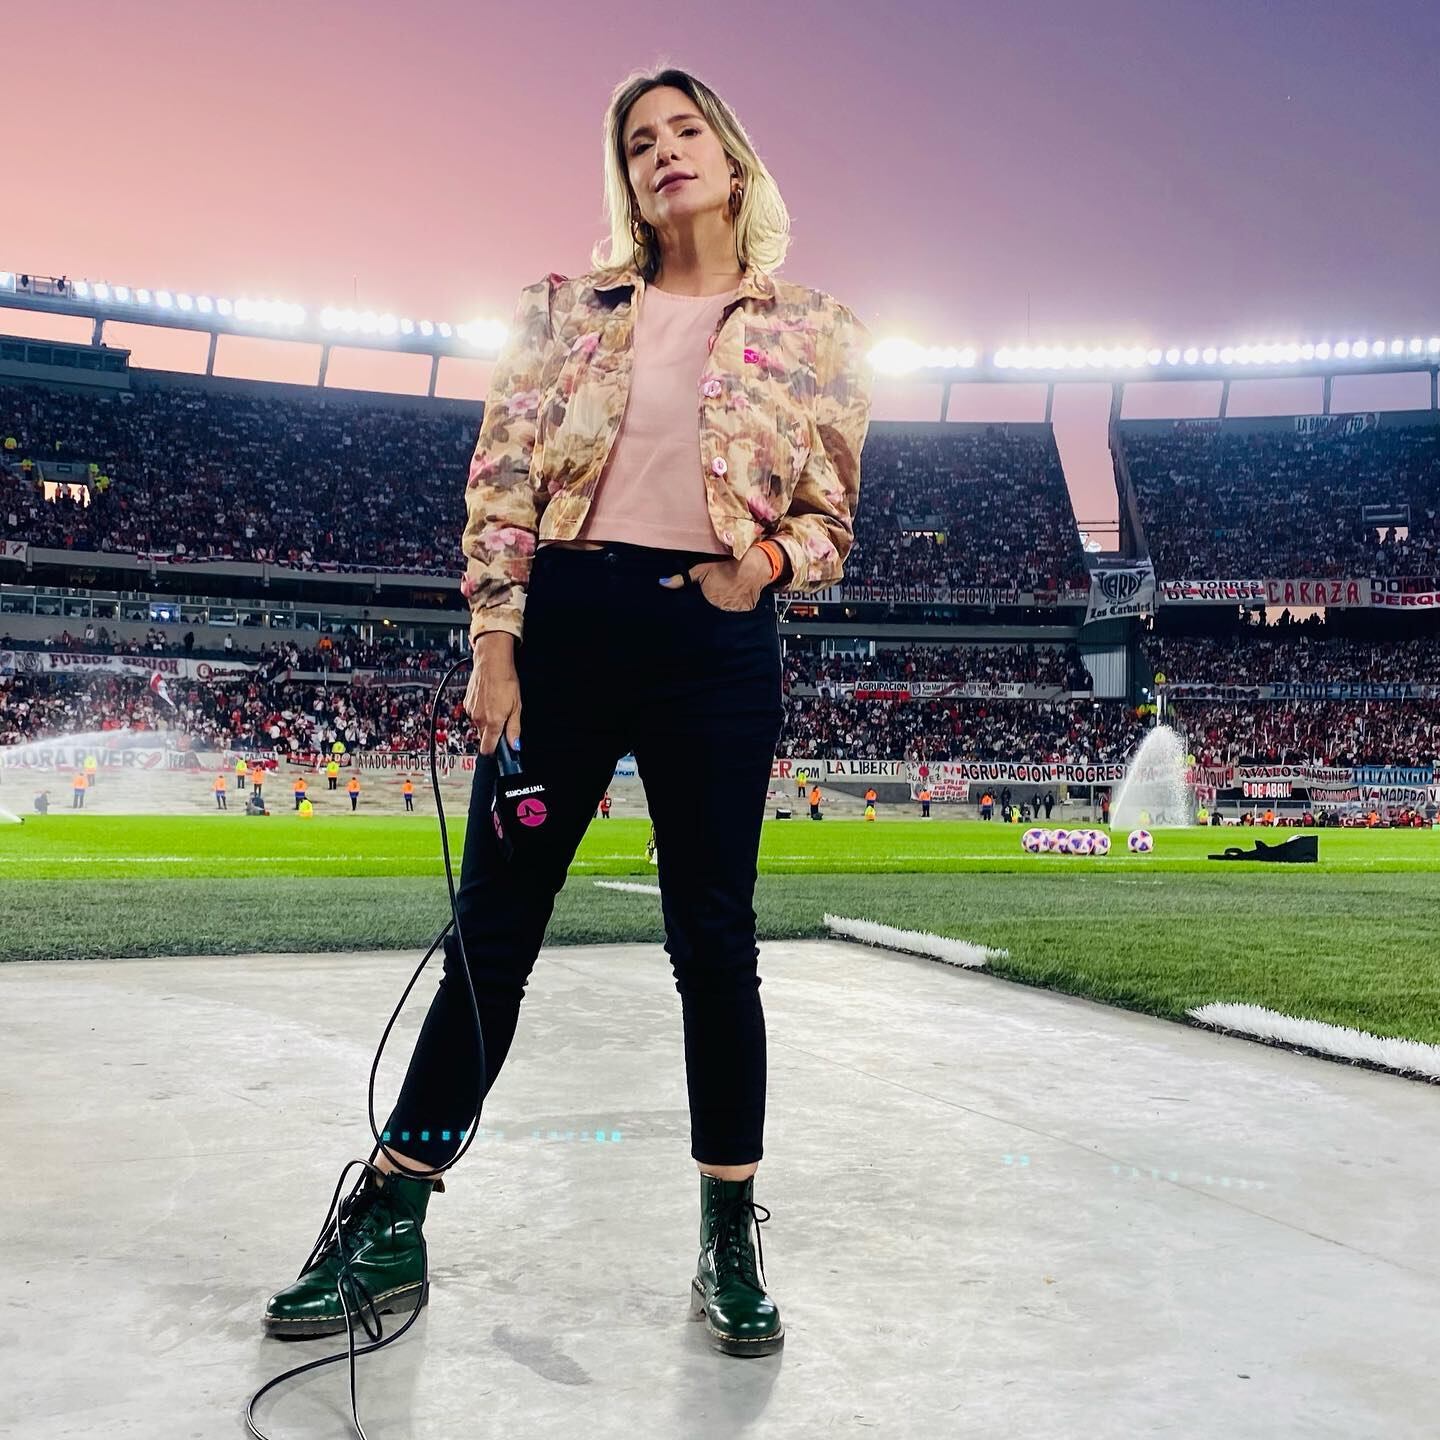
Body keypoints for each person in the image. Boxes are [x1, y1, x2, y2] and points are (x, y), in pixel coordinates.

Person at [262, 67, 872, 1361]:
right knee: (493, 932)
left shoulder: (816, 329)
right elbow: (500, 483)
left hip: (717, 644)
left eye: (684, 132)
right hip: (570, 630)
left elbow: (829, 521)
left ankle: (728, 1237)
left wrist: (754, 571)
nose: (663, 155)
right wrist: (497, 641)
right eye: (638, 142)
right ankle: (391, 1214)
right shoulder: (561, 310)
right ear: (626, 177)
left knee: (715, 942)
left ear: (734, 155)